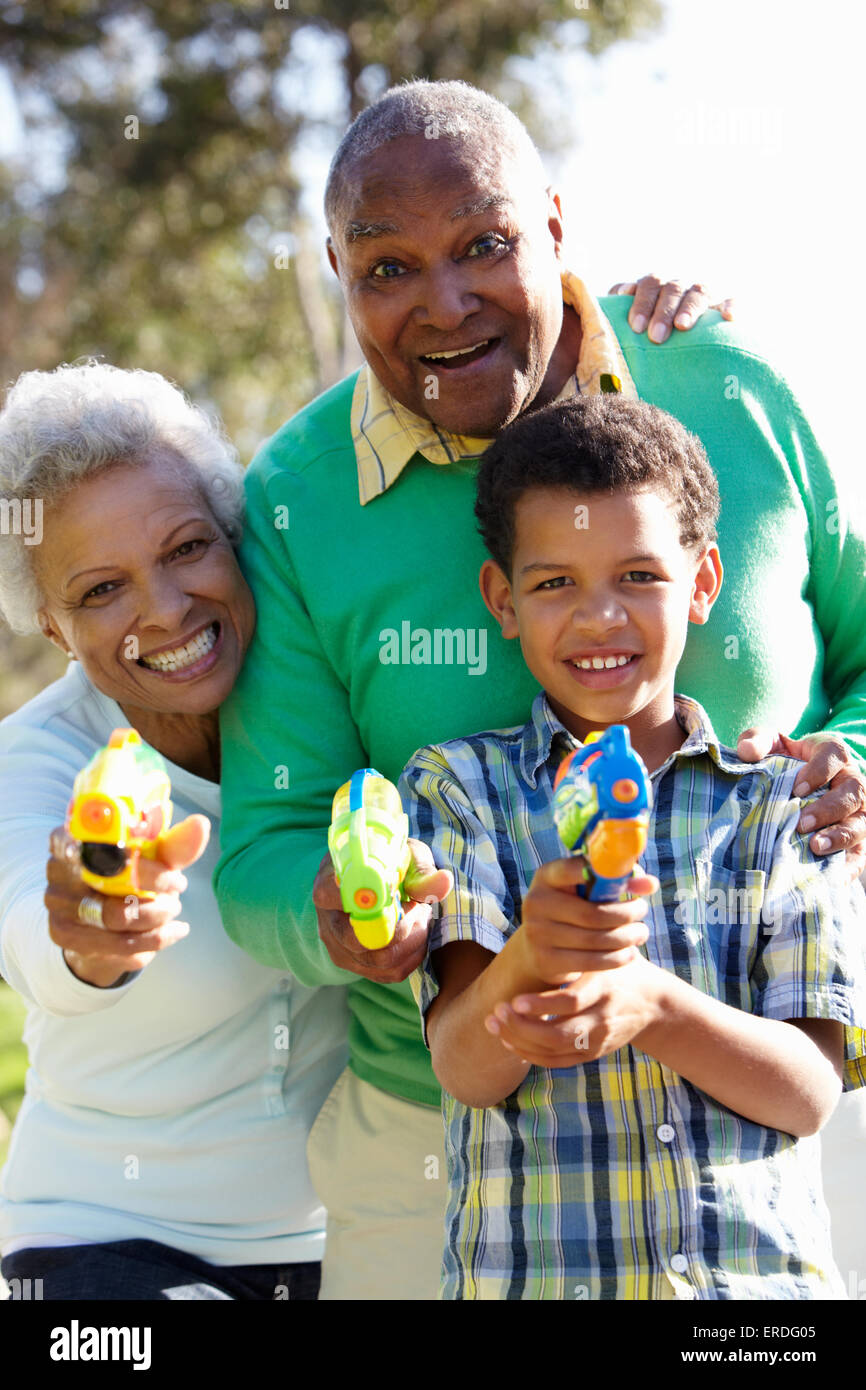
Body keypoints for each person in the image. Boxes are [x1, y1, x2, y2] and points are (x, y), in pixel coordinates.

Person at [214, 80, 866, 1301]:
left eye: (484, 244)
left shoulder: (718, 380)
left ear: (557, 229)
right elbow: (260, 849)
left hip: (757, 1147)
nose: (443, 303)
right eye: (386, 266)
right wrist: (346, 920)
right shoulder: (295, 502)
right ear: (335, 274)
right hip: (448, 1155)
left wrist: (856, 762)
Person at [399, 394, 866, 1299]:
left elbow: (809, 1090)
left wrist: (652, 1005)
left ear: (702, 583)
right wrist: (528, 961)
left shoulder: (784, 804)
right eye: (553, 583)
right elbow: (464, 1065)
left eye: (639, 576)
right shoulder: (462, 791)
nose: (599, 617)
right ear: (502, 600)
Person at [0, 361, 347, 1301]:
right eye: (101, 591)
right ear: (56, 629)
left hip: (340, 1247)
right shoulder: (34, 762)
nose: (164, 610)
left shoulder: (326, 701)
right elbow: (34, 934)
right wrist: (91, 933)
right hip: (96, 1250)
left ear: (235, 538)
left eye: (187, 549)